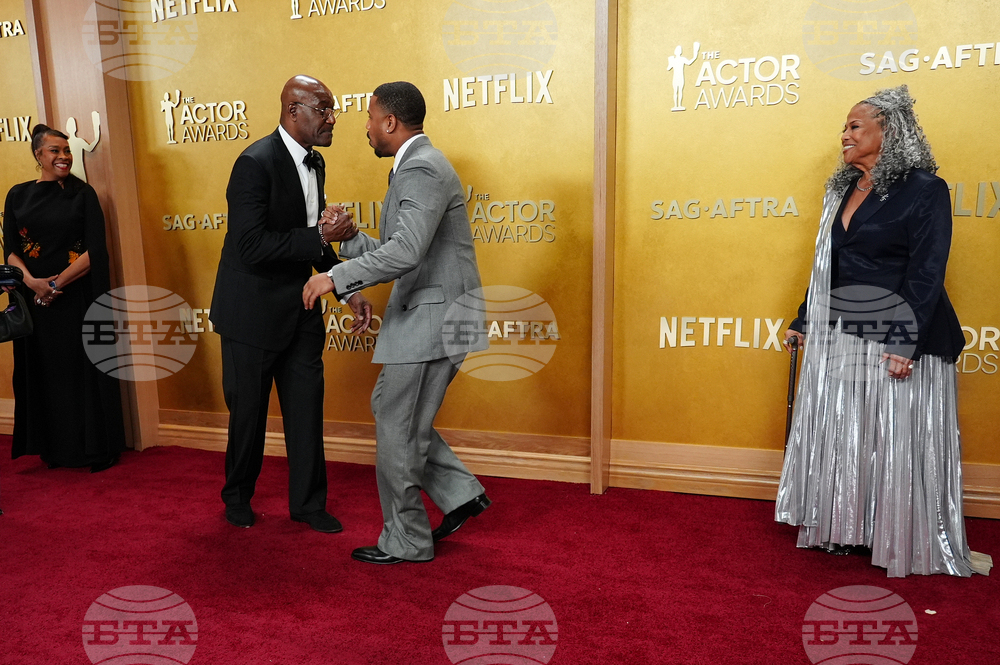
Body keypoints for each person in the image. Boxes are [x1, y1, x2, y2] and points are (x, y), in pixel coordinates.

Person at [775, 85, 992, 578]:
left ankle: (900, 534)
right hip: (842, 329)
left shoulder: (924, 189)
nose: (844, 135)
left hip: (898, 332)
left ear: (888, 131)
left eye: (855, 126)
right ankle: (847, 528)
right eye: (844, 128)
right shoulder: (840, 190)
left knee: (895, 440)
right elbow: (829, 265)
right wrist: (805, 318)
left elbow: (927, 270)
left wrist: (904, 340)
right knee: (851, 435)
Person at [303, 81, 491, 564]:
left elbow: (405, 254)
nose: (364, 128)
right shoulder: (414, 166)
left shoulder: (422, 168)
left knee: (398, 426)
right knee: (392, 409)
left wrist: (334, 277)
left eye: (369, 118)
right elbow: (403, 250)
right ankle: (459, 493)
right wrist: (349, 239)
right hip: (433, 315)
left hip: (433, 320)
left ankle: (407, 539)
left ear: (390, 122)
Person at [210, 75, 372, 532]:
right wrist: (320, 235)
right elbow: (249, 245)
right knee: (248, 415)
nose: (333, 118)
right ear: (293, 110)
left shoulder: (315, 163)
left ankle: (307, 504)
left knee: (306, 411)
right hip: (250, 313)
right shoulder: (254, 163)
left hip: (300, 308)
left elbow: (313, 245)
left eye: (333, 109)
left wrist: (347, 286)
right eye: (324, 110)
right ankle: (237, 496)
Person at [2, 124, 125, 472]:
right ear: (38, 155)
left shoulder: (83, 194)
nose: (64, 156)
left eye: (66, 150)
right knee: (47, 374)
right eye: (55, 150)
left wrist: (56, 285)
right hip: (35, 304)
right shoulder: (17, 195)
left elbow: (94, 251)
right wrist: (33, 283)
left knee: (79, 373)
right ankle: (53, 448)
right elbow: (11, 251)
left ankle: (92, 449)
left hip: (76, 301)